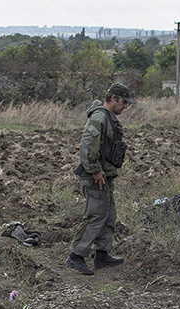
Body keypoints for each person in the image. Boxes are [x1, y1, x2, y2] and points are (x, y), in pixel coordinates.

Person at [65, 83, 132, 275]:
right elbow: (87, 146)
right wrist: (95, 170)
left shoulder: (106, 117)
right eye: (124, 102)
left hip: (104, 175)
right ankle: (75, 255)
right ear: (113, 99)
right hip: (94, 176)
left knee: (108, 214)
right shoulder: (100, 116)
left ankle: (101, 254)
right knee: (95, 215)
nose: (125, 107)